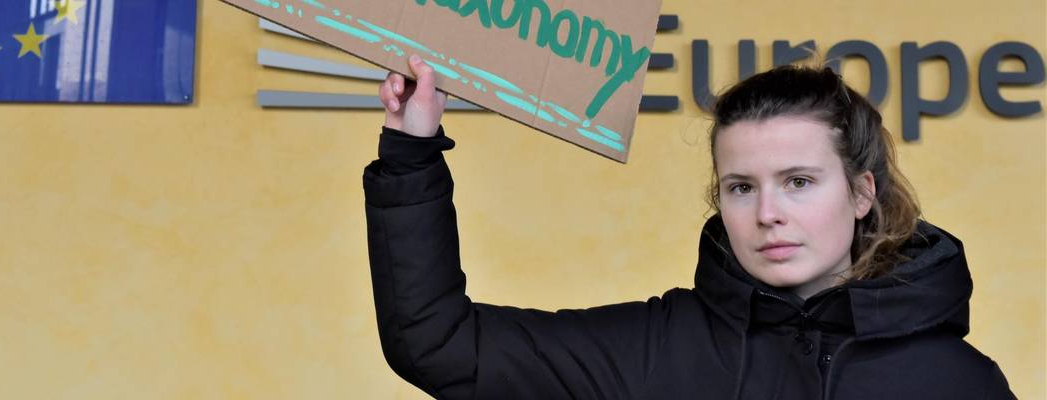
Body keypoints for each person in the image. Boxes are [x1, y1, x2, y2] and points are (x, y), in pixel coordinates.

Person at [362, 54, 1015, 399]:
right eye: (740, 188)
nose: (767, 214)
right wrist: (411, 150)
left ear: (862, 193)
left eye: (799, 182)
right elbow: (439, 345)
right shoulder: (651, 351)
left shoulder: (957, 381)